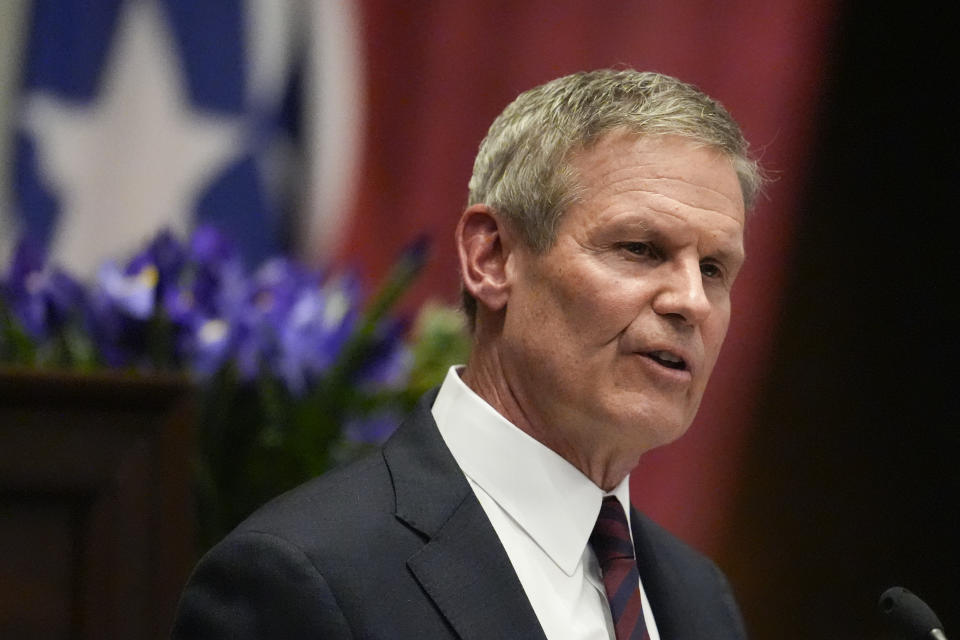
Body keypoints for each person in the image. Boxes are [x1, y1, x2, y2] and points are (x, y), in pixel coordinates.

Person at [172, 68, 762, 639]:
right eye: (640, 248)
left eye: (714, 269)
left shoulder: (699, 598)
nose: (693, 302)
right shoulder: (301, 576)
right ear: (493, 259)